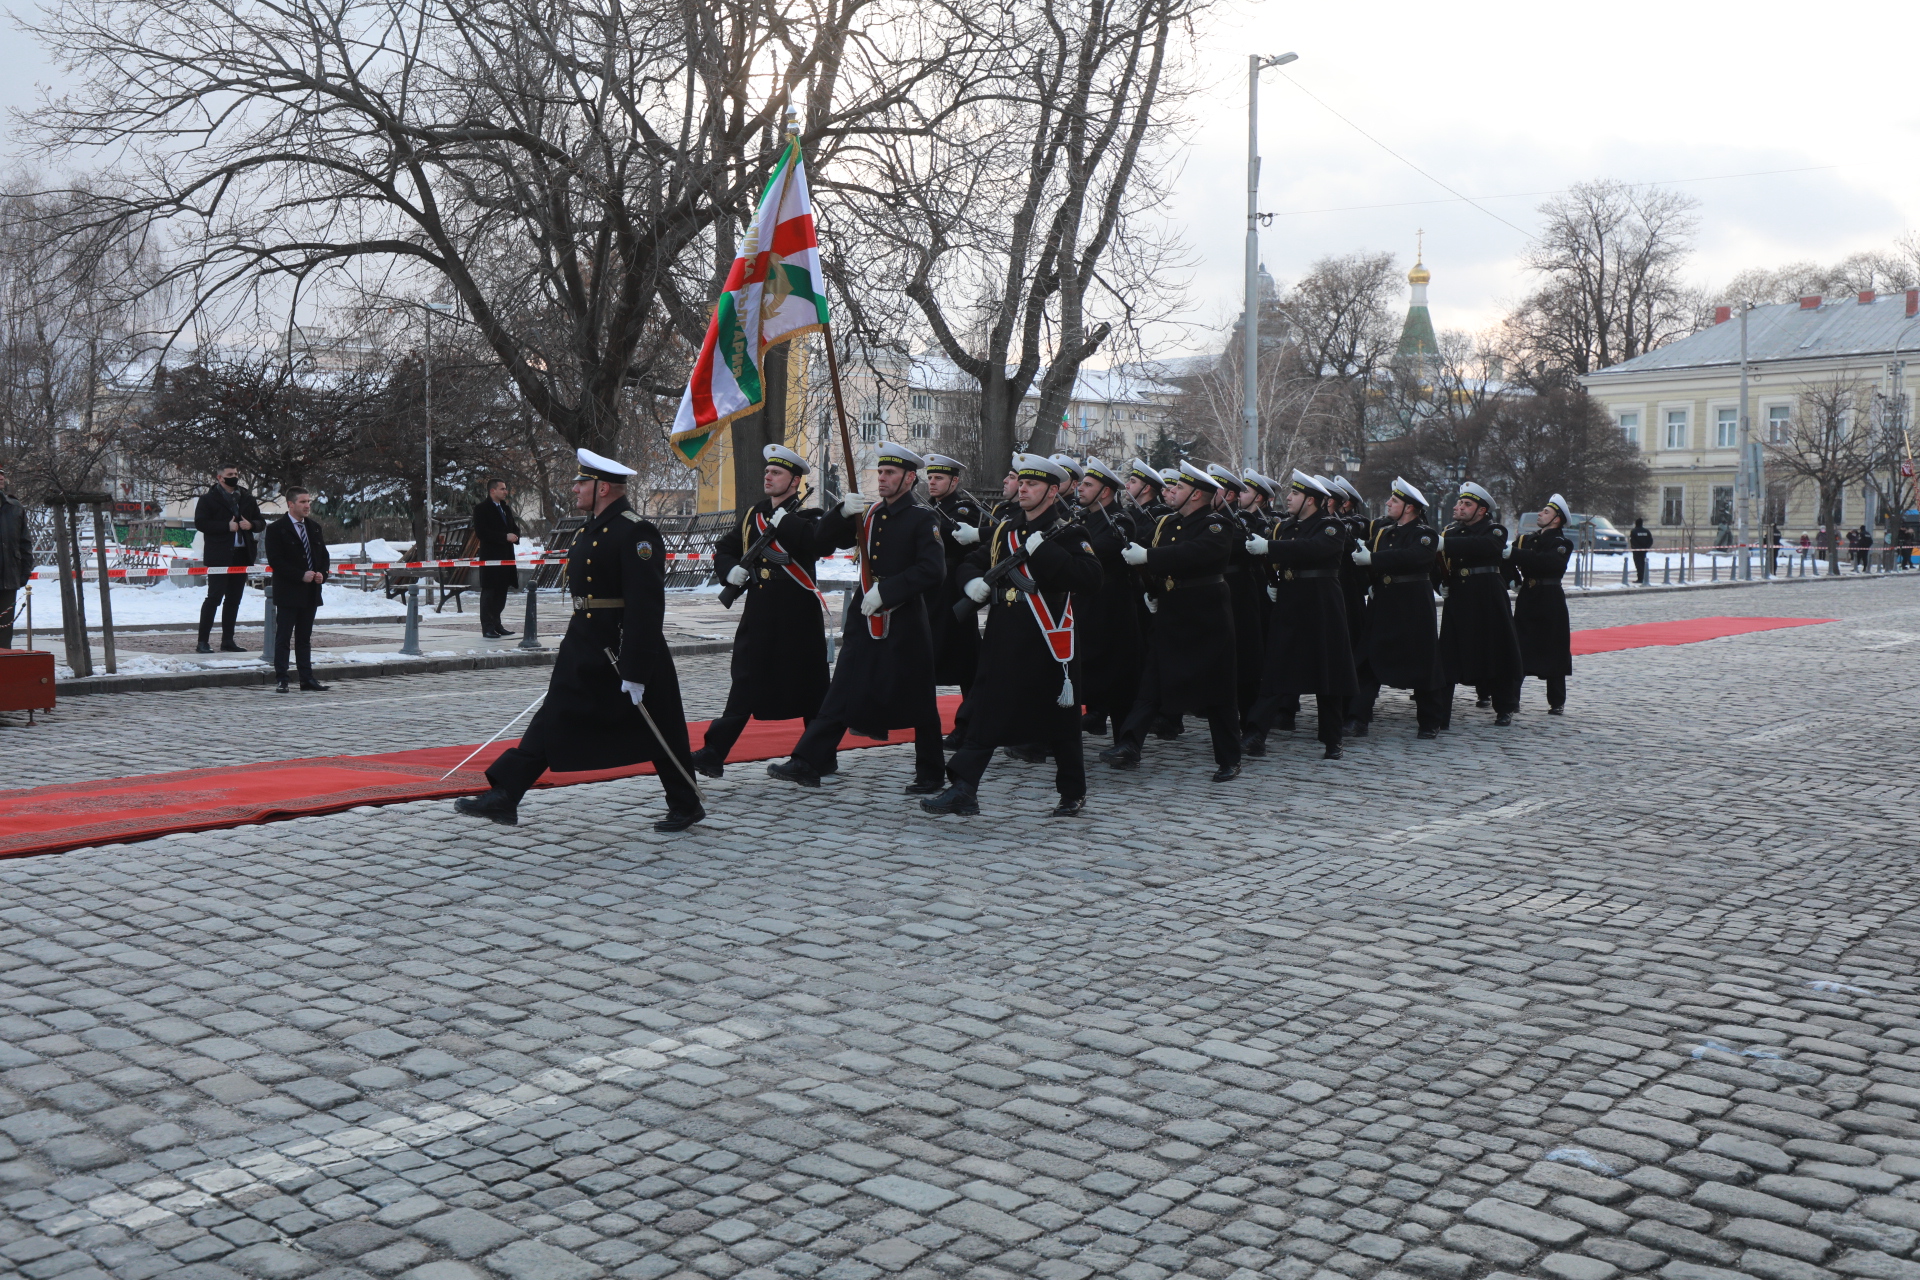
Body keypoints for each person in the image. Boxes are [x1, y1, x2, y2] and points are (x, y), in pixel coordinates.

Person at [455, 449, 704, 832]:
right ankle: (506, 794)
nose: (574, 488)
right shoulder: (595, 525)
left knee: (660, 724)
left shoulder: (635, 530)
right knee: (556, 712)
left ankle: (686, 802)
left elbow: (646, 603)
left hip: (622, 645)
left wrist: (636, 667)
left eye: (581, 482)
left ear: (603, 487)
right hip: (586, 640)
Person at [924, 454, 1102, 817]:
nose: (1022, 488)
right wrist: (971, 581)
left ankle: (1072, 791)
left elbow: (1090, 578)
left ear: (1053, 491)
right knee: (987, 711)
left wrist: (1045, 550)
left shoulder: (1068, 532)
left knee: (1060, 719)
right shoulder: (1007, 530)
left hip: (1047, 637)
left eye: (1032, 484)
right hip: (1005, 635)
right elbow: (974, 560)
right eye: (1021, 482)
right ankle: (963, 789)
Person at [768, 442, 948, 791]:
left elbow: (933, 570)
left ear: (909, 478)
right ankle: (808, 761)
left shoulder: (923, 518)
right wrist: (839, 512)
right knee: (843, 687)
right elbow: (821, 542)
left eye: (890, 473)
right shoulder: (871, 513)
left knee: (920, 699)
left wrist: (889, 590)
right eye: (880, 472)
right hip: (865, 617)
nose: (882, 478)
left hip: (903, 620)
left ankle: (930, 773)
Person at [690, 444, 831, 778]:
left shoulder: (807, 517)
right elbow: (725, 548)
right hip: (760, 613)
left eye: (777, 473)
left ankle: (819, 757)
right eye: (767, 471)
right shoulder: (755, 514)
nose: (768, 476)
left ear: (795, 481)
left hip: (797, 615)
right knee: (745, 680)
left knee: (811, 688)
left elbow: (817, 544)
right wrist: (729, 570)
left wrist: (786, 523)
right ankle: (714, 752)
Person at [1099, 461, 1242, 782]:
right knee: (1152, 682)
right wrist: (1149, 585)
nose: (1170, 491)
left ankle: (1229, 758)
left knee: (1218, 693)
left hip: (1206, 615)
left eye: (1178, 487)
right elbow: (1150, 556)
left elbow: (1198, 553)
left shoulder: (1216, 525)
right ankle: (1129, 744)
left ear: (1196, 495)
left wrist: (1149, 558)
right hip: (1172, 609)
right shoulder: (1168, 523)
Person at [1242, 471, 1356, 760]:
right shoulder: (1286, 527)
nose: (1289, 498)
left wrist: (1270, 547)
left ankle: (1333, 740)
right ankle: (1255, 735)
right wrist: (1275, 581)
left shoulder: (1331, 526)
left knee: (1326, 672)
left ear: (1311, 500)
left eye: (1295, 494)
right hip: (1291, 601)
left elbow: (1314, 549)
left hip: (1322, 605)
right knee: (1277, 668)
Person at [1350, 477, 1446, 739]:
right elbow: (1366, 560)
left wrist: (1374, 559)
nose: (1388, 503)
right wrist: (1368, 577)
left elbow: (1416, 556)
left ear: (1409, 508)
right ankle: (1358, 718)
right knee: (1367, 660)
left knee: (1423, 661)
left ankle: (1430, 721)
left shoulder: (1425, 533)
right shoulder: (1384, 532)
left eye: (1394, 500)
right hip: (1384, 602)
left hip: (1413, 603)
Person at [1438, 482, 1523, 726]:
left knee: (1497, 649)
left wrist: (1447, 544)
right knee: (1448, 654)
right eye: (1459, 503)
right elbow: (1438, 562)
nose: (1460, 507)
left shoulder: (1494, 530)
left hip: (1488, 596)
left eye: (1467, 504)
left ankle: (1504, 706)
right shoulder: (1450, 532)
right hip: (1458, 596)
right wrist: (1439, 584)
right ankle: (1439, 714)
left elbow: (1485, 546)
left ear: (1481, 511)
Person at [1072, 458, 1145, 737]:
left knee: (1116, 674)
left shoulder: (1120, 520)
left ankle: (1125, 740)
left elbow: (1094, 550)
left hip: (1112, 605)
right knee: (1087, 668)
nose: (1080, 489)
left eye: (1088, 485)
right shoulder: (1083, 517)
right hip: (1086, 602)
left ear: (1105, 492)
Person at [923, 454, 986, 748]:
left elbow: (953, 535)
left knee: (965, 662)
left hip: (954, 591)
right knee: (926, 657)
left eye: (938, 478)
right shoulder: (931, 508)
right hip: (931, 591)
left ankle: (970, 723)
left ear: (954, 481)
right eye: (930, 478)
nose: (931, 482)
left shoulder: (964, 508)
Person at [1510, 493, 1574, 715]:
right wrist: (1513, 579)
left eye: (1546, 512)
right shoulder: (1527, 540)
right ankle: (1511, 699)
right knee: (1519, 646)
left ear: (1557, 519)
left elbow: (1547, 562)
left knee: (1554, 647)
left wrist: (1517, 554)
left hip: (1550, 597)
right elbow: (1506, 559)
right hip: (1528, 595)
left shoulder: (1562, 543)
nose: (1540, 513)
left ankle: (1556, 701)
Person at [264, 487, 332, 693]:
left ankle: (306, 678)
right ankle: (282, 678)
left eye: (308, 501)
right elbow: (276, 560)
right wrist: (299, 574)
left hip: (311, 592)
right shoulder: (277, 529)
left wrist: (322, 574)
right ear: (291, 504)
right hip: (288, 591)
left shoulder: (314, 527)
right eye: (302, 501)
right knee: (283, 637)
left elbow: (323, 556)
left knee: (304, 638)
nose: (307, 505)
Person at [194, 465, 265, 653]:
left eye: (235, 474)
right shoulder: (208, 499)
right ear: (219, 477)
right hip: (219, 556)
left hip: (242, 555)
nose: (234, 477)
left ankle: (228, 640)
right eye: (229, 475)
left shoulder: (247, 498)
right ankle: (203, 641)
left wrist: (251, 524)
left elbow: (261, 522)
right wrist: (226, 527)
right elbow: (201, 523)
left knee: (234, 599)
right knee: (214, 598)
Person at [472, 478, 522, 639]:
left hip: (506, 557)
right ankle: (487, 627)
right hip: (491, 557)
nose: (505, 491)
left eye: (505, 488)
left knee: (502, 592)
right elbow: (482, 533)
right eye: (502, 489)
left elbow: (513, 527)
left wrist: (515, 535)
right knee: (489, 592)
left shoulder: (505, 508)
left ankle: (497, 624)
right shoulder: (482, 509)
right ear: (492, 491)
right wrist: (503, 537)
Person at [0, 465, 31, 650]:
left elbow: (24, 543)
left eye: (2, 474)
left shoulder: (14, 507)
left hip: (8, 580)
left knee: (4, 632)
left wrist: (23, 571)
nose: (1, 478)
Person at [1629, 516, 1652, 585]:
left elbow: (1632, 541)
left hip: (1637, 551)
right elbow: (1650, 540)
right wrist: (1646, 547)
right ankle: (1644, 577)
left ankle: (1640, 578)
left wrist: (1636, 547)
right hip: (1644, 550)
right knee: (1643, 564)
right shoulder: (1646, 531)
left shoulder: (1634, 531)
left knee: (1638, 564)